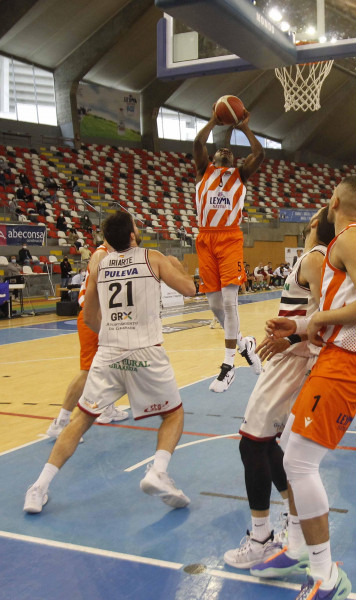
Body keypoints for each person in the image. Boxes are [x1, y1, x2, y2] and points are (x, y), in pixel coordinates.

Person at [261, 176, 356, 600]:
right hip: (336, 357)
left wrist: (315, 321)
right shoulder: (347, 242)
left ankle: (326, 575)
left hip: (350, 363)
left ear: (333, 201)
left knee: (298, 462)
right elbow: (336, 311)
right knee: (286, 444)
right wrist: (300, 325)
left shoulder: (351, 239)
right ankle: (296, 546)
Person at [24, 211, 197, 514]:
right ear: (132, 235)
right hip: (145, 351)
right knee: (173, 415)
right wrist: (180, 268)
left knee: (80, 421)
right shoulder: (152, 257)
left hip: (108, 352)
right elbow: (190, 290)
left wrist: (113, 333)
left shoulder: (100, 265)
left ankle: (38, 487)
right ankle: (158, 471)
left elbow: (89, 316)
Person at [223, 206, 335, 571]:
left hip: (295, 362)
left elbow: (324, 315)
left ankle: (261, 538)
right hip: (296, 358)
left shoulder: (317, 258)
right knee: (275, 447)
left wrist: (295, 343)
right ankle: (295, 525)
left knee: (252, 443)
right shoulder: (315, 258)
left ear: (315, 223)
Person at [193, 108, 265, 392]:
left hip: (229, 238)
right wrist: (213, 120)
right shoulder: (204, 171)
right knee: (213, 305)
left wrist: (245, 128)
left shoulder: (241, 175)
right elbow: (198, 144)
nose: (224, 150)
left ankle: (228, 365)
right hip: (205, 238)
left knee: (228, 301)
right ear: (213, 158)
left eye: (230, 151)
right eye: (220, 150)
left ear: (236, 161)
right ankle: (245, 343)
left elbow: (258, 155)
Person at [45, 243, 128, 441]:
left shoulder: (112, 254)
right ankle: (61, 422)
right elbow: (99, 294)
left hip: (104, 318)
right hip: (93, 317)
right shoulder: (100, 255)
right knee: (87, 371)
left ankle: (107, 409)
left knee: (110, 365)